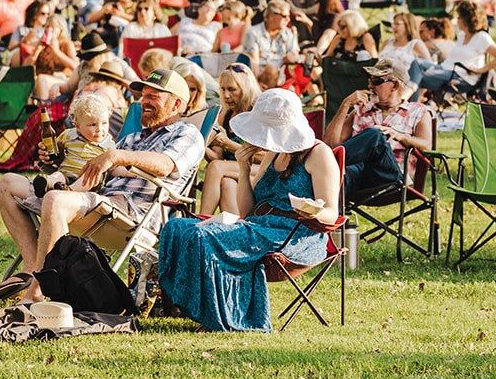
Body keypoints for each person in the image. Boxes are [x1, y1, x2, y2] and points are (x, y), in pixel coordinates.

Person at [0, 68, 205, 302]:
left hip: (129, 214)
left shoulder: (187, 134)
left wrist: (116, 156)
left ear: (176, 104)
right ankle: (34, 269)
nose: (144, 101)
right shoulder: (132, 139)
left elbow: (165, 165)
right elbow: (89, 167)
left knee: (55, 201)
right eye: (143, 95)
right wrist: (56, 162)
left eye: (153, 96)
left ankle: (38, 293)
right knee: (7, 184)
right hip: (96, 198)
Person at [158, 87, 341, 332]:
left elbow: (332, 212)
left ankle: (219, 314)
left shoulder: (319, 154)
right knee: (176, 227)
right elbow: (247, 211)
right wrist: (243, 168)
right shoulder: (274, 151)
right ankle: (185, 306)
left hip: (295, 235)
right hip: (259, 227)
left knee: (203, 236)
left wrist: (313, 210)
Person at [323, 57, 434, 198]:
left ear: (395, 85)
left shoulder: (417, 111)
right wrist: (345, 105)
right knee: (339, 173)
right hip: (361, 174)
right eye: (370, 80)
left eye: (376, 81)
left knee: (376, 135)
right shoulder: (361, 109)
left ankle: (321, 162)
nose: (370, 86)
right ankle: (333, 216)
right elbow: (330, 143)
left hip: (392, 177)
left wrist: (401, 136)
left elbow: (427, 146)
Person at [199, 63, 262, 216]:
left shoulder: (256, 113)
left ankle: (201, 219)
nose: (226, 95)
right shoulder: (226, 115)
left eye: (232, 89)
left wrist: (227, 143)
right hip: (234, 171)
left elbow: (266, 157)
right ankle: (235, 230)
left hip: (259, 170)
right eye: (223, 89)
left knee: (216, 168)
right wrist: (202, 144)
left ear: (245, 88)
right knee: (226, 183)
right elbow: (218, 157)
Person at [416, 0, 496, 99]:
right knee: (414, 63)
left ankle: (410, 108)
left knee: (416, 77)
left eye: (459, 17)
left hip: (461, 77)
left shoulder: (481, 37)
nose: (457, 20)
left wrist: (481, 70)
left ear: (466, 20)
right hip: (444, 68)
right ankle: (410, 107)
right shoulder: (462, 35)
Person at [30, 93, 116, 198]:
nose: (100, 129)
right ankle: (46, 184)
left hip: (88, 180)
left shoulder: (109, 144)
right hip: (66, 173)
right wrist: (47, 152)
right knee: (58, 175)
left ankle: (69, 190)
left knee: (92, 177)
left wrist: (129, 171)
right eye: (93, 124)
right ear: (78, 126)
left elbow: (114, 166)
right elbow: (54, 149)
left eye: (104, 123)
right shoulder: (68, 135)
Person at [376, 11, 432, 85]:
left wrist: (422, 93)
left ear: (407, 25)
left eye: (397, 24)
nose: (393, 26)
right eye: (393, 23)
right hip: (379, 80)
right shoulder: (387, 42)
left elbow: (428, 69)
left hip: (402, 85)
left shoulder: (415, 44)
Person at [245, 0, 300, 71]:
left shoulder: (288, 33)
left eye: (289, 16)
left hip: (282, 74)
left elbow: (294, 55)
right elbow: (254, 64)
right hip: (261, 74)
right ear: (271, 16)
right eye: (284, 16)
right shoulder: (253, 33)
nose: (288, 19)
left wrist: (293, 56)